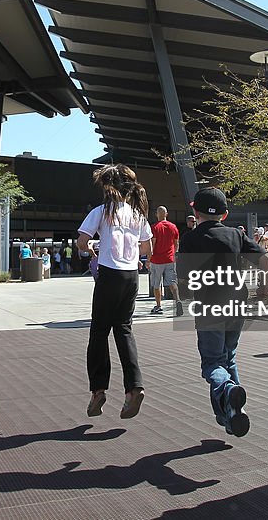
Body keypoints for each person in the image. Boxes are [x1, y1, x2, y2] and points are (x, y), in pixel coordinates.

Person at [178, 187, 268, 437]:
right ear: (225, 214)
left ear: (195, 211)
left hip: (209, 306)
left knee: (212, 364)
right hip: (236, 303)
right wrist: (264, 287)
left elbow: (184, 278)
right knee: (228, 357)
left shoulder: (190, 238)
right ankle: (230, 415)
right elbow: (264, 259)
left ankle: (229, 391)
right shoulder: (236, 235)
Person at [77, 164, 153, 420]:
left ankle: (98, 390)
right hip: (131, 276)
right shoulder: (137, 214)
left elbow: (82, 241)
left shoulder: (101, 211)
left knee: (99, 331)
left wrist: (93, 249)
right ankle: (134, 388)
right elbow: (146, 249)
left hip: (109, 274)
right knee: (124, 329)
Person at [149, 206, 183, 316]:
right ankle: (177, 300)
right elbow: (176, 243)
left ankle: (158, 306)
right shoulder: (173, 227)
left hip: (157, 260)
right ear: (166, 214)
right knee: (172, 282)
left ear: (156, 214)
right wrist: (174, 254)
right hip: (170, 259)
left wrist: (148, 259)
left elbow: (152, 244)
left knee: (156, 284)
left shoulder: (154, 227)